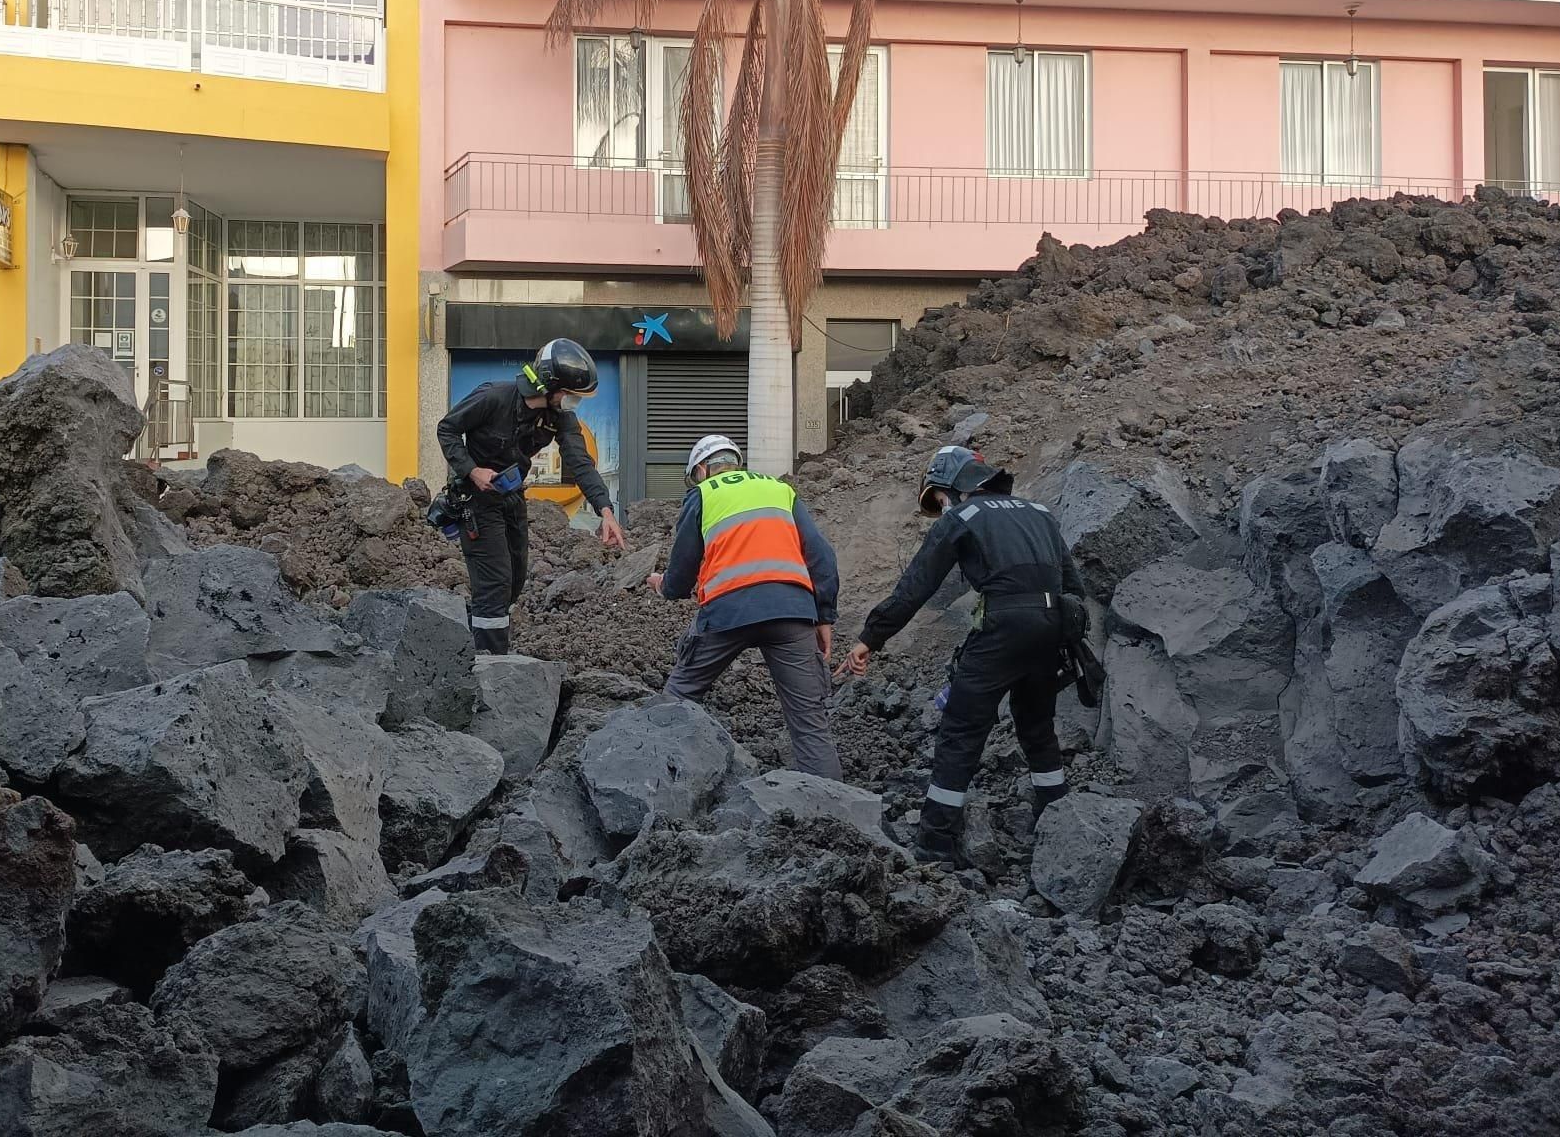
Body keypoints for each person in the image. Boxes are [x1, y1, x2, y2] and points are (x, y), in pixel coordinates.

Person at [833, 444, 1085, 865]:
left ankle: (935, 844)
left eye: (938, 499)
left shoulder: (962, 517)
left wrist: (869, 639)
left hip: (1001, 628)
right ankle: (1057, 817)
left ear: (951, 485)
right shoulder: (1039, 512)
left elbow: (915, 587)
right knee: (1038, 726)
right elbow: (1073, 585)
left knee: (961, 731)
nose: (941, 508)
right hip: (1052, 626)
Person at [646, 433, 844, 781]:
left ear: (702, 470)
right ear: (736, 463)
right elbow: (821, 555)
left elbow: (681, 572)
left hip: (727, 613)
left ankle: (650, 780)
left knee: (678, 697)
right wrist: (824, 615)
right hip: (791, 611)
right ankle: (831, 805)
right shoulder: (780, 490)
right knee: (810, 723)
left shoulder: (703, 494)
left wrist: (664, 586)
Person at [436, 338, 625, 653]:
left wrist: (605, 511)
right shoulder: (493, 397)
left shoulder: (558, 417)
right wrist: (472, 470)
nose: (574, 402)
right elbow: (447, 429)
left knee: (514, 579)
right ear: (550, 386)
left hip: (511, 498)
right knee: (495, 583)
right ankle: (489, 664)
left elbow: (580, 462)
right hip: (476, 501)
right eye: (571, 395)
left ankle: (477, 641)